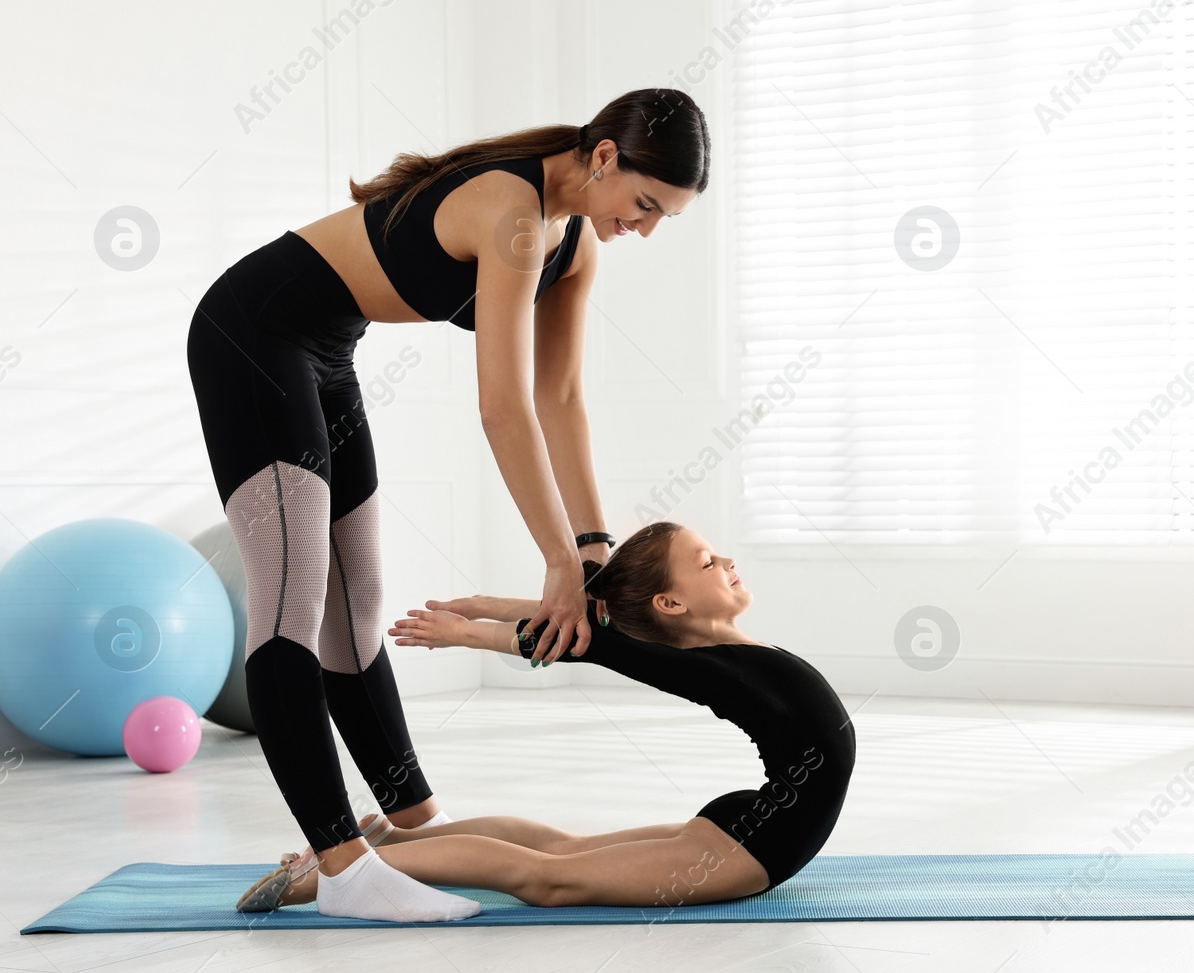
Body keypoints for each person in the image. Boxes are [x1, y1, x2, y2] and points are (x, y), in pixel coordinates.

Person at [188, 89, 709, 922]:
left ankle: (418, 829)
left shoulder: (575, 245)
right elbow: (502, 406)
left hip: (326, 351)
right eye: (645, 205)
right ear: (606, 157)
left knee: (355, 607)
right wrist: (554, 563)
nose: (644, 228)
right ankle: (343, 870)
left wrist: (592, 545)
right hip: (251, 334)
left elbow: (562, 396)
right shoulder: (512, 209)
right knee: (291, 600)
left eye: (663, 219)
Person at [236, 522, 857, 914]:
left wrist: (485, 609)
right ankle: (336, 867)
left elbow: (596, 623)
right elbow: (591, 638)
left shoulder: (728, 654)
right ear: (670, 604)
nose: (724, 561)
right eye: (707, 563)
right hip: (758, 845)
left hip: (754, 819)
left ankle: (394, 841)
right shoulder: (705, 664)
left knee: (567, 849)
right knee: (547, 877)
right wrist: (473, 632)